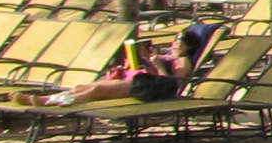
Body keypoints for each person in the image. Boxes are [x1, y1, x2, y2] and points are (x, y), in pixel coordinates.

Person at [48, 21, 218, 105]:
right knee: (81, 87)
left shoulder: (183, 61)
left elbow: (173, 84)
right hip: (141, 82)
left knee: (98, 90)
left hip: (151, 89)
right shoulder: (171, 57)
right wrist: (144, 60)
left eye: (177, 43)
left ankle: (53, 104)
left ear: (188, 47)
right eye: (173, 42)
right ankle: (48, 99)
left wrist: (158, 66)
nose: (173, 46)